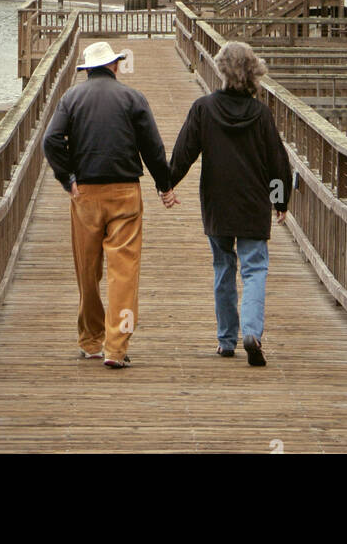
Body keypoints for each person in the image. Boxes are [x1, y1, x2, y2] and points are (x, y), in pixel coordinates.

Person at [43, 40, 177, 369]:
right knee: (124, 273)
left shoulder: (71, 98)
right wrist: (164, 186)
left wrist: (67, 178)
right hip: (125, 192)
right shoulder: (132, 98)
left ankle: (91, 341)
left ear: (87, 70)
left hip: (84, 194)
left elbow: (51, 140)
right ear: (115, 66)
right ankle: (116, 348)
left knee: (87, 271)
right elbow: (152, 147)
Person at [168, 40, 292, 367]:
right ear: (253, 72)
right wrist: (280, 201)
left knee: (223, 268)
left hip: (217, 202)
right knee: (254, 269)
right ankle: (251, 333)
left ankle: (226, 340)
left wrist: (167, 185)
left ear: (221, 69)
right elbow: (278, 163)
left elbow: (184, 153)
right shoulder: (261, 114)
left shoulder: (204, 108)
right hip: (252, 204)